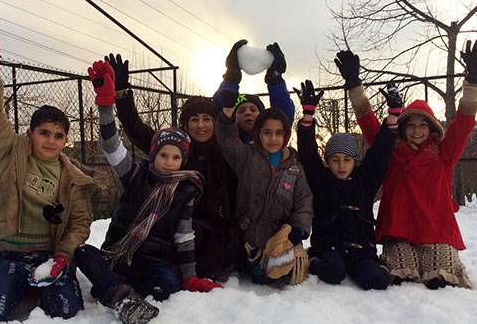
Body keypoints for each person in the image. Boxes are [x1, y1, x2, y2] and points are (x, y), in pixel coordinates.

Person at [73, 60, 222, 324]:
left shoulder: (186, 190)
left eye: (176, 157)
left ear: (182, 161)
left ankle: (113, 289)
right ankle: (120, 293)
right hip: (117, 254)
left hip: (153, 259)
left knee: (168, 286)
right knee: (84, 252)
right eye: (163, 155)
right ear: (153, 155)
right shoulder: (134, 174)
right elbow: (110, 144)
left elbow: (184, 237)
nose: (168, 161)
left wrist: (190, 277)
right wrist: (105, 102)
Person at [335, 39, 477, 289]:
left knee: (440, 277)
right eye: (410, 125)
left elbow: (463, 122)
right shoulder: (389, 150)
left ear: (431, 128)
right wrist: (355, 85)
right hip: (399, 230)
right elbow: (367, 122)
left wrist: (473, 82)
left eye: (422, 125)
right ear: (402, 128)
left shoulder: (444, 152)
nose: (417, 130)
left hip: (436, 230)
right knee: (401, 274)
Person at [0, 31, 97, 323]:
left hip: (49, 255)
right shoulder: (9, 151)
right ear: (30, 133)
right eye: (44, 133)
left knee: (68, 313)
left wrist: (63, 256)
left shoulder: (73, 177)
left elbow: (79, 223)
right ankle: (6, 284)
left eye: (58, 136)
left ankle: (34, 288)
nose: (50, 141)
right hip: (9, 253)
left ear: (65, 141)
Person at [106, 53, 243, 279]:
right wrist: (122, 94)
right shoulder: (175, 149)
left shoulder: (224, 152)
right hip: (170, 224)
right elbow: (135, 128)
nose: (201, 125)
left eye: (207, 119)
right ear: (186, 124)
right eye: (194, 119)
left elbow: (225, 209)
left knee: (229, 243)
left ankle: (189, 272)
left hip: (213, 227)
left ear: (215, 122)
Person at [295, 80, 400, 290]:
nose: (341, 166)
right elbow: (307, 153)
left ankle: (367, 267)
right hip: (329, 248)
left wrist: (394, 115)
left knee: (376, 281)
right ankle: (314, 260)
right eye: (335, 160)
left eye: (347, 160)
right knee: (333, 272)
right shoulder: (321, 180)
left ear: (355, 161)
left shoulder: (365, 180)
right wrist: (308, 114)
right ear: (328, 161)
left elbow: (380, 152)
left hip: (362, 250)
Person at [215, 88, 313, 286]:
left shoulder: (294, 165)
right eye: (267, 133)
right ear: (258, 133)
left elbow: (304, 199)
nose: (273, 139)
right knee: (262, 277)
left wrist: (298, 230)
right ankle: (250, 260)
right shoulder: (246, 156)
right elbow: (227, 140)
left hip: (282, 237)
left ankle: (290, 253)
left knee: (287, 275)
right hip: (252, 237)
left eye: (278, 133)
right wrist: (226, 112)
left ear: (285, 135)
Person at [213, 40, 296, 144]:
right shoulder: (228, 141)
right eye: (241, 111)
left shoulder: (271, 143)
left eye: (253, 110)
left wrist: (275, 79)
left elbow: (283, 116)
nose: (248, 113)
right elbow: (218, 107)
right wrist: (231, 75)